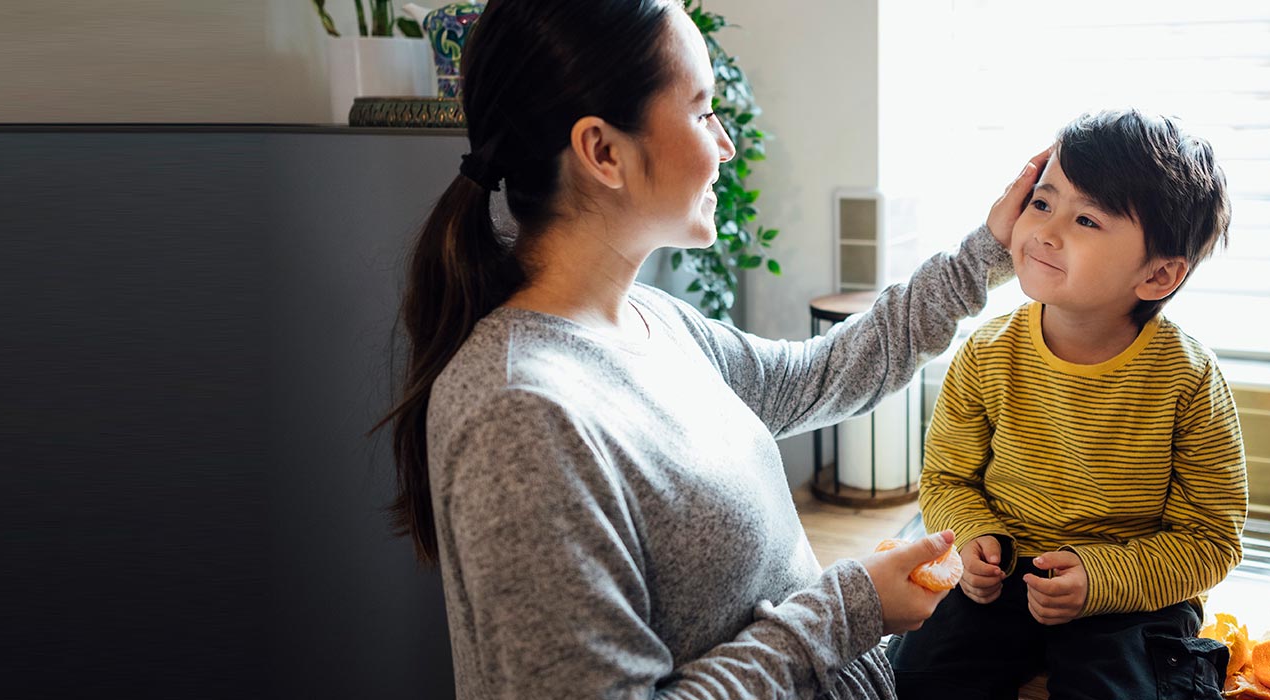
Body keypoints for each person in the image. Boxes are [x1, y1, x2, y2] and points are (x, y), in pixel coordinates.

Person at [374, 0, 1050, 696]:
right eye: (701, 112)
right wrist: (849, 608)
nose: (726, 143)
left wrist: (986, 255)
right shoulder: (522, 418)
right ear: (603, 151)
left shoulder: (648, 320)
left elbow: (819, 377)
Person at [885, 109, 1248, 700]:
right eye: (1042, 203)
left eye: (1085, 218)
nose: (1046, 232)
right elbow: (948, 479)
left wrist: (1101, 580)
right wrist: (973, 536)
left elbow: (1211, 539)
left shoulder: (1189, 378)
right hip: (998, 578)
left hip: (1131, 593)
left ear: (1158, 275)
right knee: (911, 681)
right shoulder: (985, 354)